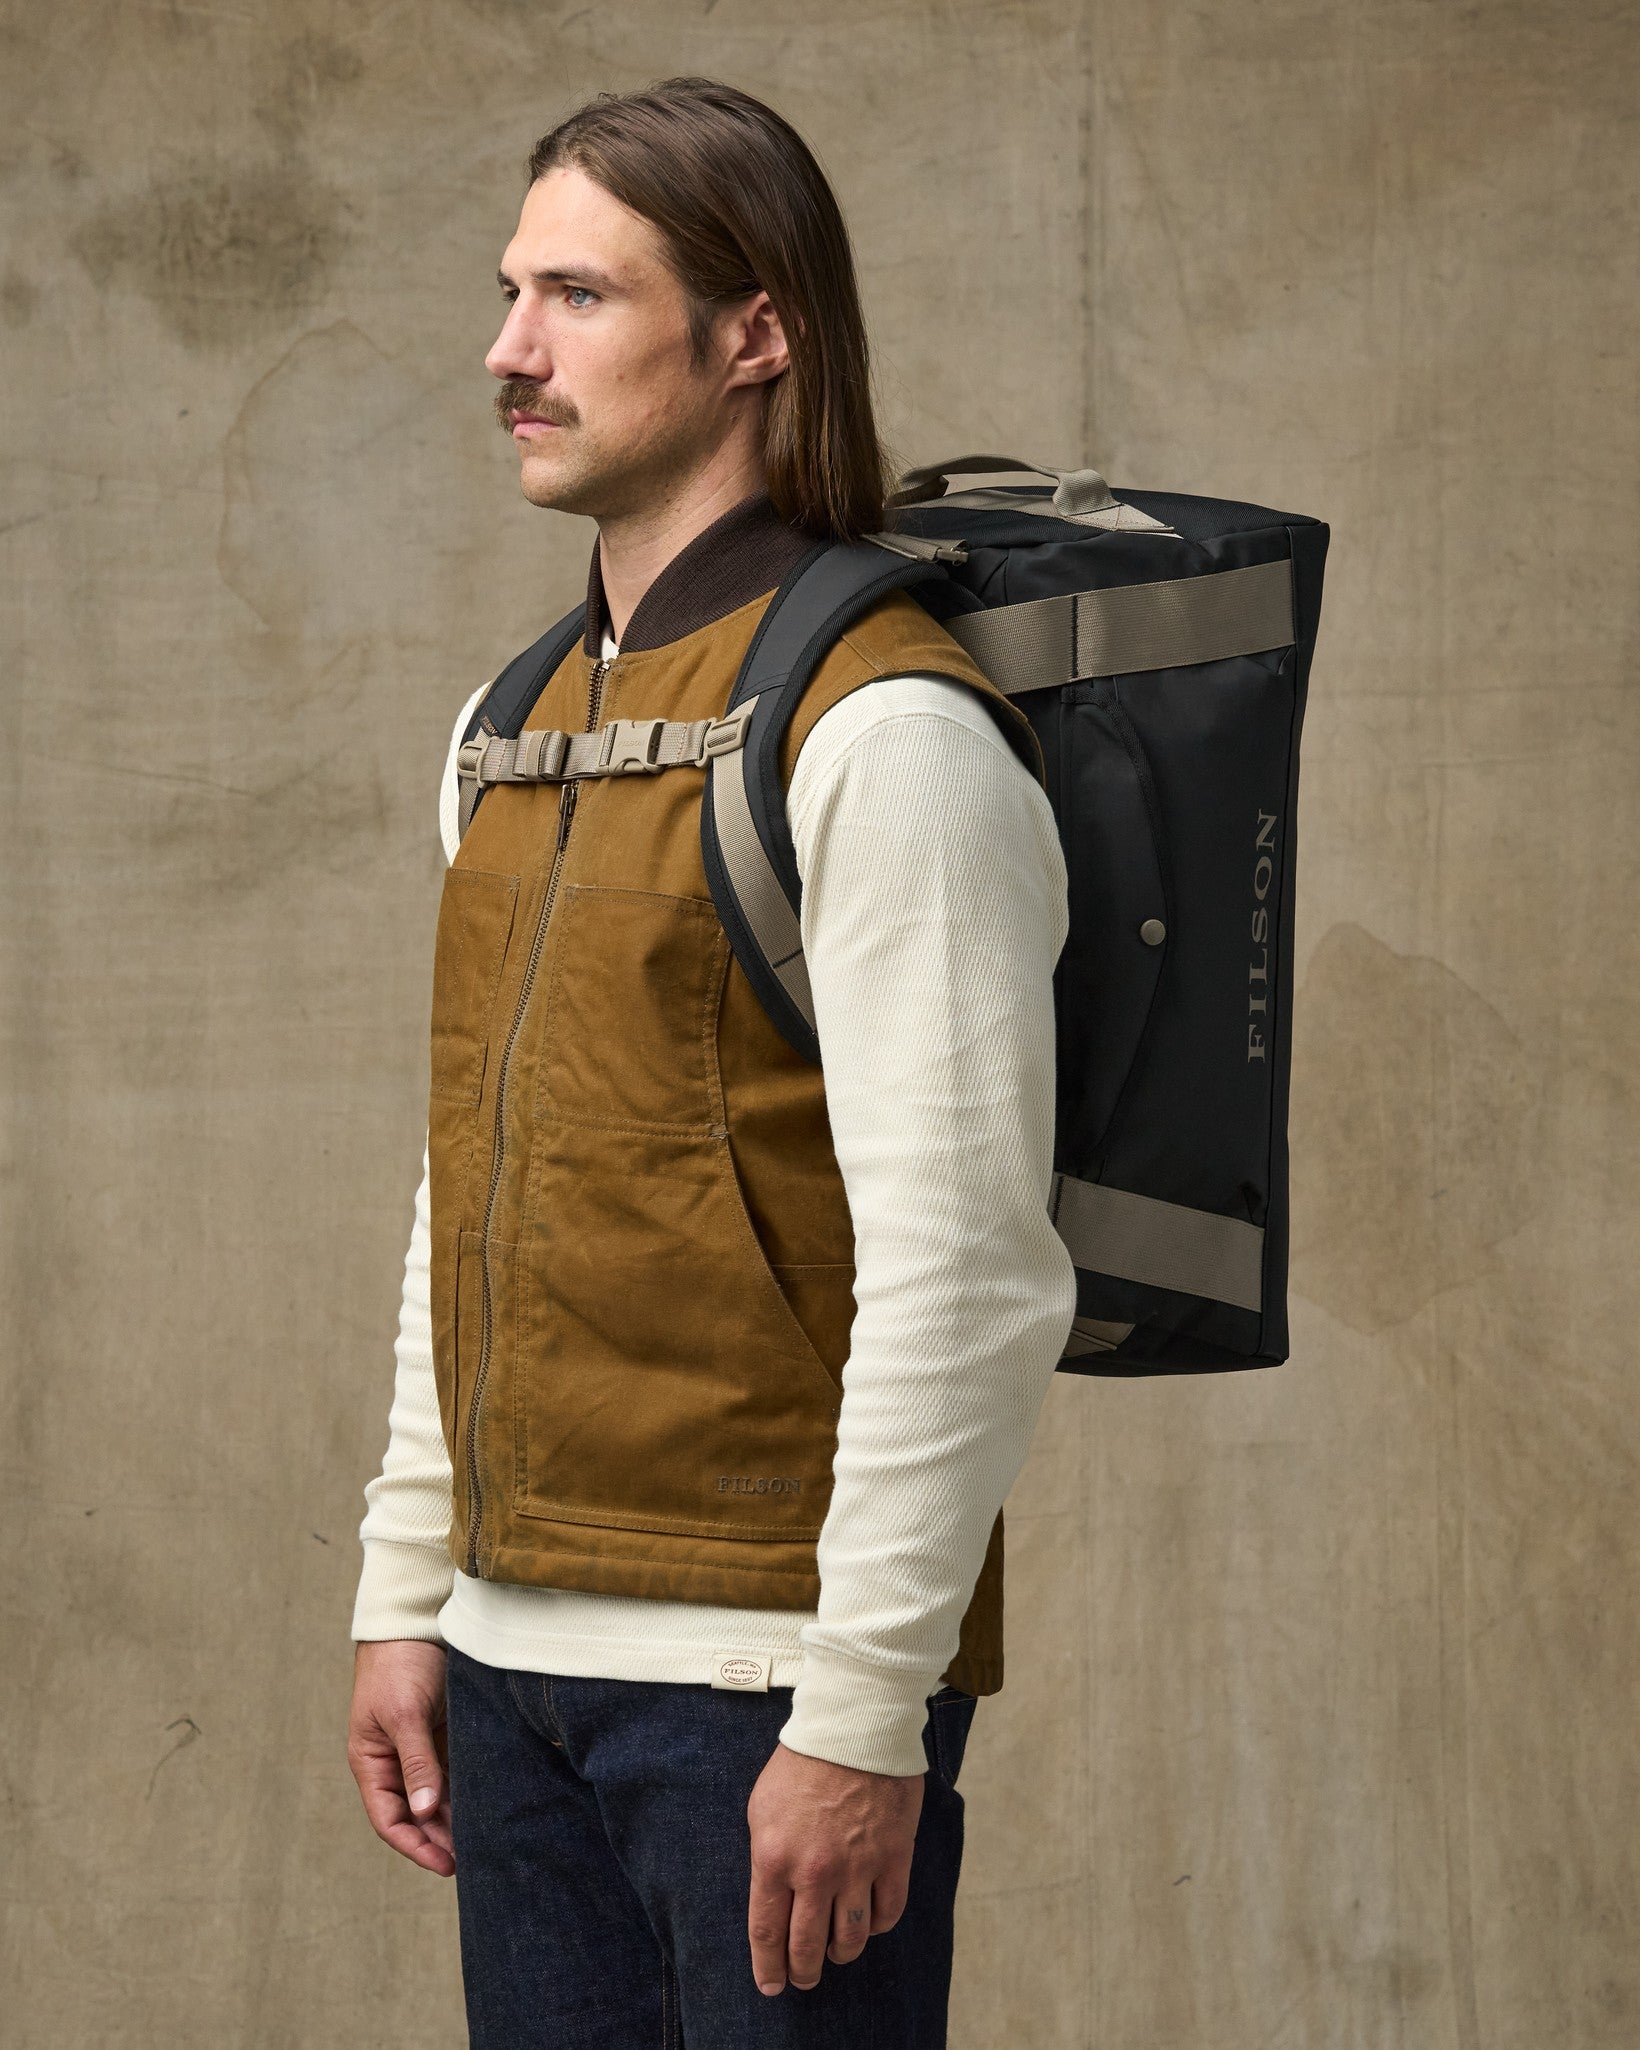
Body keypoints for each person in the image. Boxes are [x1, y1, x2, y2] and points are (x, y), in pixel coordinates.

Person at [346, 75, 1076, 2049]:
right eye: (511, 293)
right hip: (508, 1667)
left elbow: (969, 1271)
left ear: (756, 333)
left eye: (577, 297)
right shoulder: (510, 730)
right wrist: (409, 1585)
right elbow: (472, 1185)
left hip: (763, 1685)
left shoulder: (885, 733)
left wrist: (863, 1708)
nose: (510, 351)